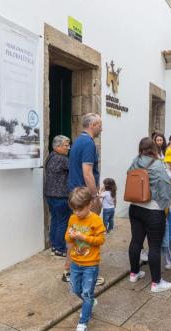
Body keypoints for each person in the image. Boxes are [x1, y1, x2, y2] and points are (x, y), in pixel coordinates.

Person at [127, 137, 171, 292]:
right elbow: (165, 186)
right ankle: (156, 282)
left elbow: (129, 175)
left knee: (136, 241)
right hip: (153, 209)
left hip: (135, 206)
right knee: (154, 245)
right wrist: (168, 199)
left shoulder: (135, 161)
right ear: (154, 148)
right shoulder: (158, 165)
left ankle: (134, 273)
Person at [68, 113, 105, 285]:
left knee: (76, 234)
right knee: (88, 233)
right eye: (100, 125)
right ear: (92, 125)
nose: (101, 128)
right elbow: (87, 173)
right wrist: (95, 195)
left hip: (76, 192)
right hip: (84, 195)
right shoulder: (89, 143)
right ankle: (86, 273)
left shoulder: (77, 141)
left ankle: (70, 271)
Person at [65, 187, 106, 331]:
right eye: (74, 209)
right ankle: (89, 302)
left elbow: (101, 240)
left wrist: (83, 237)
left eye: (80, 209)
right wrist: (70, 235)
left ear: (89, 204)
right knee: (76, 289)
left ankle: (83, 323)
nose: (76, 213)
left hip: (91, 264)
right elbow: (67, 238)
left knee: (87, 293)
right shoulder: (73, 218)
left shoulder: (95, 220)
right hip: (76, 262)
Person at [44, 135, 71, 258]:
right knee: (62, 222)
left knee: (55, 219)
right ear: (58, 146)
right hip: (61, 196)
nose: (68, 148)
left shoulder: (50, 157)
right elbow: (75, 169)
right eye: (66, 145)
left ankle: (54, 246)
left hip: (50, 194)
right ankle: (60, 248)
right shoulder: (62, 159)